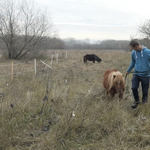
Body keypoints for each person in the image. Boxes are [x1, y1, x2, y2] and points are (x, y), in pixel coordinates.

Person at [126, 40, 150, 109]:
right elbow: (133, 62)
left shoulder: (147, 52)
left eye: (132, 48)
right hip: (136, 73)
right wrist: (128, 70)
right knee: (134, 87)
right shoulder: (134, 52)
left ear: (136, 46)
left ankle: (144, 102)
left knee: (145, 90)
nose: (132, 50)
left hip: (145, 75)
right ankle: (137, 101)